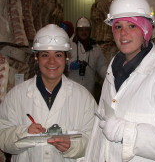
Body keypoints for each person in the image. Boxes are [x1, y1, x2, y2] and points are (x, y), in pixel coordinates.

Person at [84, 0, 155, 162]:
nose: (123, 34)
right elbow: (98, 134)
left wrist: (128, 133)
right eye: (118, 26)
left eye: (132, 26)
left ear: (146, 30)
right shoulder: (113, 72)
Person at [0, 24, 97, 162]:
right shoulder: (17, 95)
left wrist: (72, 145)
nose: (52, 61)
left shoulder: (83, 97)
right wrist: (24, 133)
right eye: (45, 55)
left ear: (66, 58)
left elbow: (94, 139)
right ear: (36, 57)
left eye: (58, 54)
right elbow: (2, 136)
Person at [68, 17, 107, 96]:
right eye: (81, 30)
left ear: (90, 31)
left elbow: (102, 66)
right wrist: (69, 65)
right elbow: (60, 62)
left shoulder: (95, 47)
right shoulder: (69, 44)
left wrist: (110, 79)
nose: (84, 32)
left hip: (89, 88)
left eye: (86, 30)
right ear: (77, 31)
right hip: (71, 87)